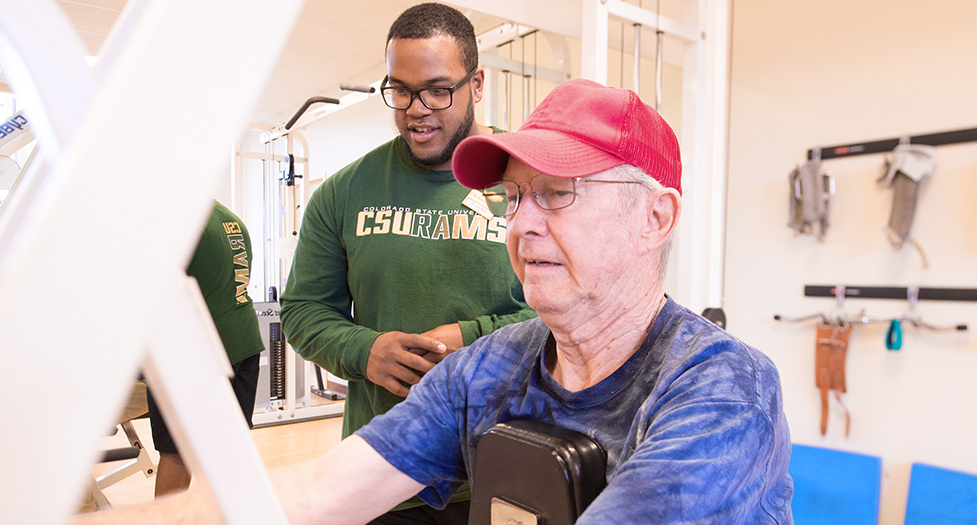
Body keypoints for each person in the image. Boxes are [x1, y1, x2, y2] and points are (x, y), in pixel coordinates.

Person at [74, 79, 793, 525]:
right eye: (514, 196)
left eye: (558, 193)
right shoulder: (491, 368)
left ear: (656, 218)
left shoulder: (722, 389)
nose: (521, 224)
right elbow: (316, 492)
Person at [278, 3, 534, 522]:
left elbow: (573, 313)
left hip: (508, 468)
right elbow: (303, 311)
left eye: (438, 89)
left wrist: (474, 337)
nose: (417, 108)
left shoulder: (530, 180)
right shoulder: (345, 192)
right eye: (400, 90)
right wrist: (366, 349)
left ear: (477, 83)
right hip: (385, 470)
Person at [145, 200, 264, 496]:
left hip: (197, 347)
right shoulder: (227, 217)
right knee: (230, 450)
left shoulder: (176, 219)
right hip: (243, 340)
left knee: (177, 454)